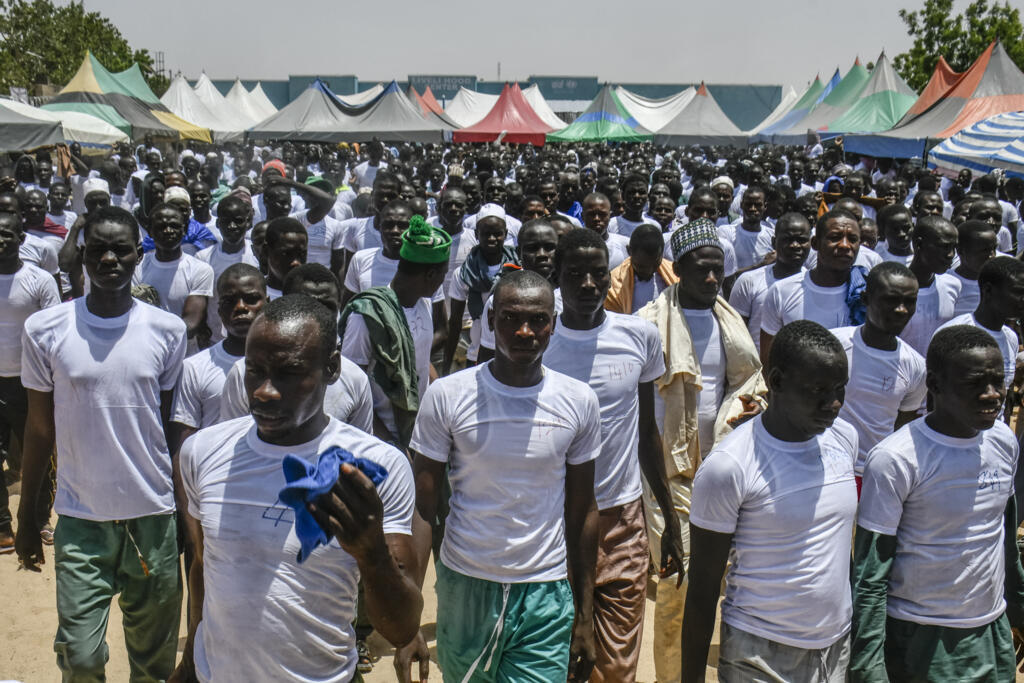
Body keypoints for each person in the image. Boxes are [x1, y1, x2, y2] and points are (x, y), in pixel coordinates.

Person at [172, 295, 422, 682]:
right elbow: (206, 566)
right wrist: (191, 660)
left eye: (288, 373)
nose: (264, 391)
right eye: (254, 371)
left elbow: (402, 627)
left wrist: (371, 552)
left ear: (332, 367)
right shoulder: (203, 451)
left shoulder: (374, 468)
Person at [16, 206, 186, 681]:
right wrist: (28, 515)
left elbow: (171, 429)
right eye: (98, 249)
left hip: (152, 517)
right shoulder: (46, 329)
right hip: (80, 519)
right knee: (82, 658)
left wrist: (186, 521)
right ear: (82, 255)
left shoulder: (167, 330)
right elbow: (38, 428)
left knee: (152, 663)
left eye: (121, 249)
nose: (110, 258)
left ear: (138, 255)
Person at [409, 269, 601, 682]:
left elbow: (583, 511)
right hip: (466, 585)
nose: (526, 331)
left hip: (545, 592)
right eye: (512, 318)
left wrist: (586, 615)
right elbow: (423, 508)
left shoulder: (578, 401)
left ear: (554, 322)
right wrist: (409, 619)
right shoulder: (447, 396)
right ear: (491, 320)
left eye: (538, 319)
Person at [543, 228, 684, 682]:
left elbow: (647, 432)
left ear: (611, 277)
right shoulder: (539, 344)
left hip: (623, 518)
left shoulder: (639, 336)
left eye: (597, 274)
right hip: (554, 518)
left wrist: (670, 517)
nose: (587, 284)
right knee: (561, 650)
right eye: (575, 274)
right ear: (557, 279)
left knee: (617, 660)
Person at [682, 320, 858, 683]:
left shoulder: (844, 439)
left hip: (835, 651)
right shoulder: (730, 466)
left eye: (840, 389)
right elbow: (702, 589)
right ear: (776, 382)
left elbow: (842, 551)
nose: (835, 403)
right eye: (820, 391)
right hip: (759, 656)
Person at [850, 325, 1024, 682]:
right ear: (936, 384)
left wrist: (1019, 611)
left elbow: (1005, 542)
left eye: (997, 381)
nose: (993, 395)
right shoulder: (897, 459)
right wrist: (867, 665)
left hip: (990, 633)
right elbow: (870, 574)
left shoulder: (1004, 442)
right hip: (920, 640)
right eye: (975, 383)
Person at [637, 217, 768, 683]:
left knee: (729, 579)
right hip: (669, 475)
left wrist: (743, 411)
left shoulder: (729, 322)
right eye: (702, 269)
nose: (712, 279)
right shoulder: (649, 325)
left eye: (718, 270)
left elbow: (749, 381)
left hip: (725, 468)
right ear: (680, 268)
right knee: (679, 582)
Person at [219, 263, 373, 434]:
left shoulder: (355, 379)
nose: (316, 314)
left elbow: (359, 448)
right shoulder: (243, 373)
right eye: (304, 304)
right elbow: (232, 436)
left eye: (327, 306)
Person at [341, 219, 449, 448]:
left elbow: (418, 358)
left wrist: (444, 397)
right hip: (379, 439)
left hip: (418, 431)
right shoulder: (368, 316)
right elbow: (351, 389)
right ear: (431, 275)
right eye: (442, 275)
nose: (442, 282)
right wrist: (390, 443)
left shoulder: (424, 304)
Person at [830, 262, 926, 480]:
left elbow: (903, 428)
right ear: (866, 299)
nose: (902, 310)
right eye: (891, 300)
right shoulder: (833, 346)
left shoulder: (916, 366)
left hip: (875, 475)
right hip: (826, 469)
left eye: (909, 302)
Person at [0, 212, 61, 553]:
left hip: (30, 384)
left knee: (41, 454)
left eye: (8, 234)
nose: (1, 239)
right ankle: (3, 527)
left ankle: (40, 520)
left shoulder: (39, 281)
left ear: (21, 239)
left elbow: (54, 333)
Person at [171, 263, 267, 444]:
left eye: (251, 299)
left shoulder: (285, 365)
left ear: (267, 303)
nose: (240, 307)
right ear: (219, 310)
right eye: (230, 302)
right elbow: (184, 443)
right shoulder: (194, 367)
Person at [760, 209, 863, 364]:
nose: (844, 245)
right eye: (835, 237)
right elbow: (769, 360)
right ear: (815, 243)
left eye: (852, 239)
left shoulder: (865, 295)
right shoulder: (782, 291)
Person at [444, 204, 517, 372]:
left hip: (509, 354)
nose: (492, 238)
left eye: (497, 234)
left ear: (505, 234)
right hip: (475, 354)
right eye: (486, 234)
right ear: (476, 235)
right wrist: (446, 366)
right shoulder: (462, 274)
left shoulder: (517, 269)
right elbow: (455, 323)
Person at [936, 256, 1024, 394]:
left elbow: (1005, 394)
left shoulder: (1010, 338)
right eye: (1018, 292)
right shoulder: (954, 335)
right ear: (988, 290)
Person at [139, 202, 216, 351]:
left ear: (185, 229)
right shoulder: (138, 268)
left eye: (174, 226)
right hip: (146, 351)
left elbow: (191, 323)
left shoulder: (200, 270)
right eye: (161, 226)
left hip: (185, 354)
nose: (168, 231)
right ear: (149, 231)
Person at [729, 212, 811, 351]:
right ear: (774, 242)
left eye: (801, 240)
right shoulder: (749, 281)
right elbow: (733, 335)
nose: (795, 245)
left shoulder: (812, 285)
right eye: (787, 239)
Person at [194, 194, 259, 343]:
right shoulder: (203, 258)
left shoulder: (257, 255)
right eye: (226, 221)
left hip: (251, 340)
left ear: (248, 222)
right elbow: (201, 300)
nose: (232, 226)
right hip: (214, 340)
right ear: (217, 224)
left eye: (238, 221)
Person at [898, 214, 961, 357]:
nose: (951, 255)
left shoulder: (952, 285)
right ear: (919, 245)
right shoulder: (893, 289)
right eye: (944, 247)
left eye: (954, 247)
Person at [605, 224, 679, 314]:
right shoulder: (614, 286)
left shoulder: (676, 275)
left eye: (655, 265)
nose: (648, 271)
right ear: (629, 251)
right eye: (641, 266)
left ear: (662, 254)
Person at [718, 185, 774, 271]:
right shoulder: (726, 233)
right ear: (741, 205)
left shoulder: (772, 236)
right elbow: (724, 274)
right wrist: (761, 265)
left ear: (765, 206)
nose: (753, 209)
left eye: (758, 205)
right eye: (748, 204)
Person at [952, 219, 999, 316]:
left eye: (994, 249)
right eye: (984, 250)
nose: (992, 256)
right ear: (961, 251)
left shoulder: (999, 283)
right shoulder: (946, 282)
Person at [262, 216, 308, 299]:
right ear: (266, 251)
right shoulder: (253, 294)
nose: (296, 262)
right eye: (286, 254)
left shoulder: (314, 295)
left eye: (301, 254)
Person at [581, 192, 630, 270]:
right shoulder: (574, 247)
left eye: (602, 214)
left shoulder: (625, 245)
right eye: (591, 214)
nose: (597, 218)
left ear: (610, 216)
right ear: (582, 216)